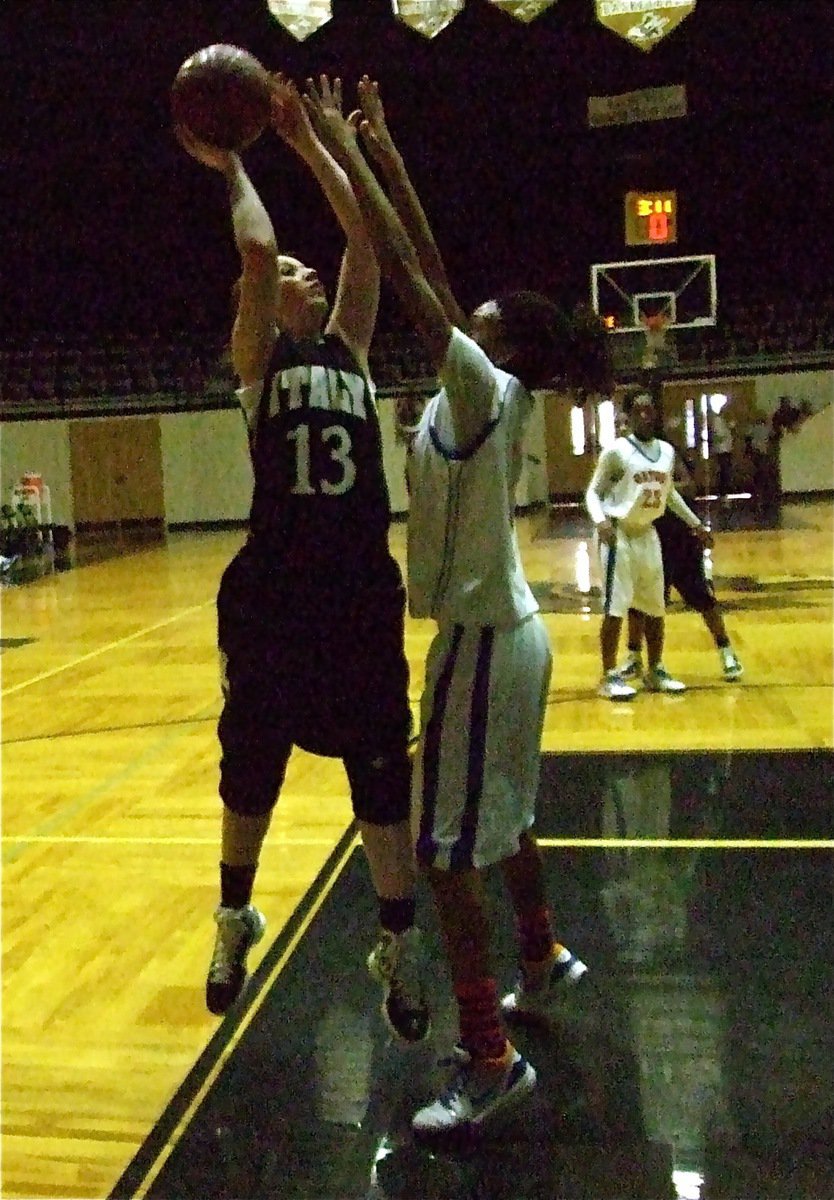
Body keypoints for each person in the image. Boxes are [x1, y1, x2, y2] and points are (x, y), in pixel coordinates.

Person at [304, 75, 609, 1136]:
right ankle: (544, 956)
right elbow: (429, 266)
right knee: (506, 816)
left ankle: (488, 1053)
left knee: (443, 855)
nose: (457, 305)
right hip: (500, 634)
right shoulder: (478, 387)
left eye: (476, 318)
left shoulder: (481, 387)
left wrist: (340, 162)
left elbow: (408, 274)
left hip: (483, 644)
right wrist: (384, 148)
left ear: (500, 345)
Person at [175, 77, 429, 1043]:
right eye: (293, 277)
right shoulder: (257, 366)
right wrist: (235, 156)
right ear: (262, 298)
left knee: (381, 782)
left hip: (358, 594)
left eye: (310, 276)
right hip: (279, 598)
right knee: (252, 764)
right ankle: (235, 916)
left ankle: (399, 946)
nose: (309, 276)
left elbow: (363, 233)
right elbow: (255, 250)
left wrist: (309, 142)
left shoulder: (351, 353)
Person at [585, 386, 712, 700]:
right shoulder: (616, 451)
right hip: (618, 533)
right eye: (638, 410)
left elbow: (669, 495)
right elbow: (592, 493)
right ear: (627, 417)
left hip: (647, 533)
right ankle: (609, 676)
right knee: (616, 608)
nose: (645, 415)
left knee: (656, 607)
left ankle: (655, 669)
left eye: (649, 410)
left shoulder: (667, 452)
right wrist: (600, 522)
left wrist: (696, 524)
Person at [620, 424, 744, 683]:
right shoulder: (623, 458)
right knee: (640, 601)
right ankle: (635, 658)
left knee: (701, 597)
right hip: (648, 536)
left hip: (680, 538)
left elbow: (687, 485)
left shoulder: (665, 453)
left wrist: (659, 487)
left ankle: (726, 650)